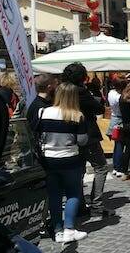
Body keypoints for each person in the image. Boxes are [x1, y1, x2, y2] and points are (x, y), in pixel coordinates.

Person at [36, 82, 89, 243]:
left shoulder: (43, 112)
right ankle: (69, 229)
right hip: (70, 159)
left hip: (49, 159)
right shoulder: (77, 115)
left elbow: (38, 135)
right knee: (73, 193)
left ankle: (57, 230)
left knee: (54, 195)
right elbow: (82, 141)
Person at [62, 63, 113, 218]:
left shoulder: (61, 90)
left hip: (68, 135)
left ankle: (78, 205)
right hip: (87, 134)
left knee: (78, 171)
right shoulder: (80, 91)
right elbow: (98, 108)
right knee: (101, 167)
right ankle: (96, 205)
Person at [107, 76, 127, 178]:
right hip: (119, 119)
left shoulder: (111, 93)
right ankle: (119, 168)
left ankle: (115, 167)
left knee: (117, 145)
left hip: (114, 118)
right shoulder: (119, 97)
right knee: (120, 145)